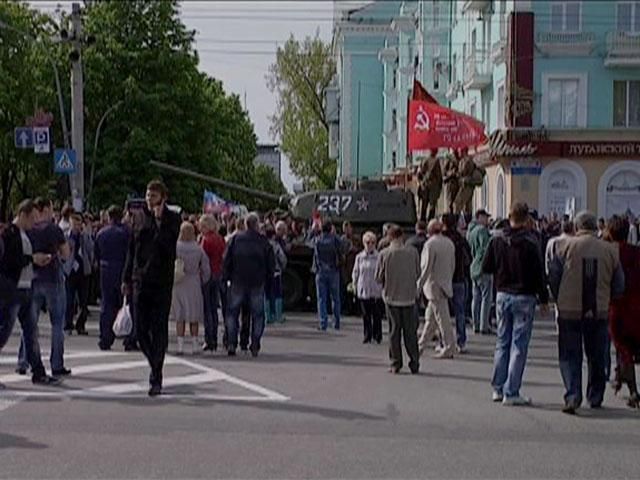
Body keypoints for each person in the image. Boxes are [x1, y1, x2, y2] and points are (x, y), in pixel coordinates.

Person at [548, 211, 624, 415]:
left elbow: (554, 277)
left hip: (569, 309)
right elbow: (619, 284)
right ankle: (595, 395)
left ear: (576, 227)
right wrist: (609, 299)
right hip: (598, 310)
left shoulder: (562, 246)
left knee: (569, 354)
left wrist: (558, 297)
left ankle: (573, 395)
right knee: (597, 354)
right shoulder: (610, 250)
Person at [483, 202, 549, 406]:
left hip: (503, 293)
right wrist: (544, 299)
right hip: (524, 295)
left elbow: (487, 266)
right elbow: (539, 274)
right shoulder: (531, 242)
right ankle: (511, 391)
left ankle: (498, 387)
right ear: (527, 218)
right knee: (519, 344)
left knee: (502, 341)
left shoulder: (497, 240)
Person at [122, 180, 181, 397]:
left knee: (159, 330)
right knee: (139, 330)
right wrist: (125, 278)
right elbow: (132, 250)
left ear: (163, 198)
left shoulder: (172, 219)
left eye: (153, 196)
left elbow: (168, 246)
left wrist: (158, 222)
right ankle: (155, 363)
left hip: (162, 282)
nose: (149, 199)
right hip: (140, 280)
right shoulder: (138, 218)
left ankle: (156, 375)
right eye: (147, 195)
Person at [0, 200, 59, 385]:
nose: (34, 222)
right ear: (23, 214)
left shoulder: (24, 234)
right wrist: (32, 258)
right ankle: (38, 371)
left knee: (31, 332)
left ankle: (38, 372)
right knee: (3, 332)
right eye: (32, 218)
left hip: (26, 287)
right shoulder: (10, 233)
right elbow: (10, 261)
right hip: (13, 289)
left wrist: (34, 261)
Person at [24, 197, 71, 378]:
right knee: (57, 324)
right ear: (45, 209)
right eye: (51, 209)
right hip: (52, 278)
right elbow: (66, 254)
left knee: (30, 324)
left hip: (32, 279)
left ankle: (24, 361)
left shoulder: (29, 231)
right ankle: (56, 364)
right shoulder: (54, 229)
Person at [222, 213, 275, 357]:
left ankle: (232, 343)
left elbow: (226, 260)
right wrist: (269, 282)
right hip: (257, 282)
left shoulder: (235, 240)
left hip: (237, 280)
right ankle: (255, 344)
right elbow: (271, 265)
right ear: (256, 225)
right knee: (257, 315)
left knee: (232, 313)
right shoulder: (264, 242)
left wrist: (226, 277)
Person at [605, 216, 640, 409]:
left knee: (623, 347)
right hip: (636, 305)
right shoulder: (636, 252)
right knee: (628, 346)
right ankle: (619, 376)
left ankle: (634, 391)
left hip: (617, 306)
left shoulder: (610, 252)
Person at [375, 225, 420, 373]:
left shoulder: (384, 254)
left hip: (391, 297)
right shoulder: (413, 252)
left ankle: (396, 363)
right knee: (410, 332)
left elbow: (378, 277)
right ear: (402, 237)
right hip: (409, 296)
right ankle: (414, 362)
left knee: (394, 332)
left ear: (389, 237)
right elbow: (418, 272)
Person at [417, 219, 456, 359]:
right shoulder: (449, 243)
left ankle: (449, 347)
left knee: (442, 320)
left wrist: (419, 285)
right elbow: (452, 265)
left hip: (433, 286)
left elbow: (426, 268)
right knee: (431, 319)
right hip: (445, 284)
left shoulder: (430, 245)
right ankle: (420, 346)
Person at [171, 222, 211, 355]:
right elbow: (206, 268)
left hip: (178, 282)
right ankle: (194, 344)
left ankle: (180, 346)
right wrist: (203, 280)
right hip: (193, 282)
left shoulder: (175, 247)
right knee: (193, 315)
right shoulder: (198, 248)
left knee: (179, 315)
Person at [95, 205, 130, 351]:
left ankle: (105, 338)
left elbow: (96, 254)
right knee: (126, 304)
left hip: (105, 269)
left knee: (107, 305)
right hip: (122, 268)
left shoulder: (101, 233)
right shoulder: (126, 233)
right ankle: (128, 338)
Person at [442, 213, 472, 353]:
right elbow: (468, 258)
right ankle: (461, 341)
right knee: (460, 311)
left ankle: (445, 341)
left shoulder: (441, 239)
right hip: (459, 278)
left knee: (443, 313)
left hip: (444, 279)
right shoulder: (460, 239)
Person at [63, 214, 93, 335]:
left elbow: (91, 249)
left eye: (78, 223)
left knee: (83, 301)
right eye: (74, 223)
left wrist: (87, 235)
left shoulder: (84, 236)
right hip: (70, 271)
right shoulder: (66, 236)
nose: (76, 226)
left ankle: (81, 325)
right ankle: (68, 325)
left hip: (83, 271)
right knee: (69, 300)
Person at [199, 214, 226, 351]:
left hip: (207, 275)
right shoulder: (220, 239)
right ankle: (214, 339)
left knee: (207, 309)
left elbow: (202, 260)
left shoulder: (206, 240)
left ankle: (208, 339)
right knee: (214, 309)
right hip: (218, 274)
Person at [352, 231, 383, 344]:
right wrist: (355, 285)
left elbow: (383, 273)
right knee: (366, 315)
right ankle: (367, 335)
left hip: (376, 289)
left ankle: (377, 335)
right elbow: (356, 272)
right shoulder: (359, 257)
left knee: (377, 314)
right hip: (364, 288)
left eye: (372, 242)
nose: (370, 245)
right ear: (363, 243)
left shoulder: (379, 256)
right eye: (367, 242)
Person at [312, 220, 343, 331]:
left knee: (321, 298)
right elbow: (343, 247)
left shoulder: (317, 240)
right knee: (335, 298)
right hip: (333, 270)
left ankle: (323, 322)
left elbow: (315, 255)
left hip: (321, 271)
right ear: (331, 229)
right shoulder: (334, 239)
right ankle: (336, 322)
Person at [467, 209, 493, 334]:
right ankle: (484, 326)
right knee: (486, 298)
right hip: (483, 267)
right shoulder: (482, 230)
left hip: (473, 267)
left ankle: (476, 324)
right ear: (479, 217)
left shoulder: (471, 231)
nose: (487, 220)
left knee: (475, 298)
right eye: (485, 217)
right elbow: (485, 248)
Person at [264, 224, 287, 324]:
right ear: (273, 235)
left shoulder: (263, 245)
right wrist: (282, 267)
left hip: (265, 273)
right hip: (276, 272)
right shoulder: (276, 245)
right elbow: (282, 258)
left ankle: (267, 316)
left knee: (266, 294)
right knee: (277, 293)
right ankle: (278, 316)